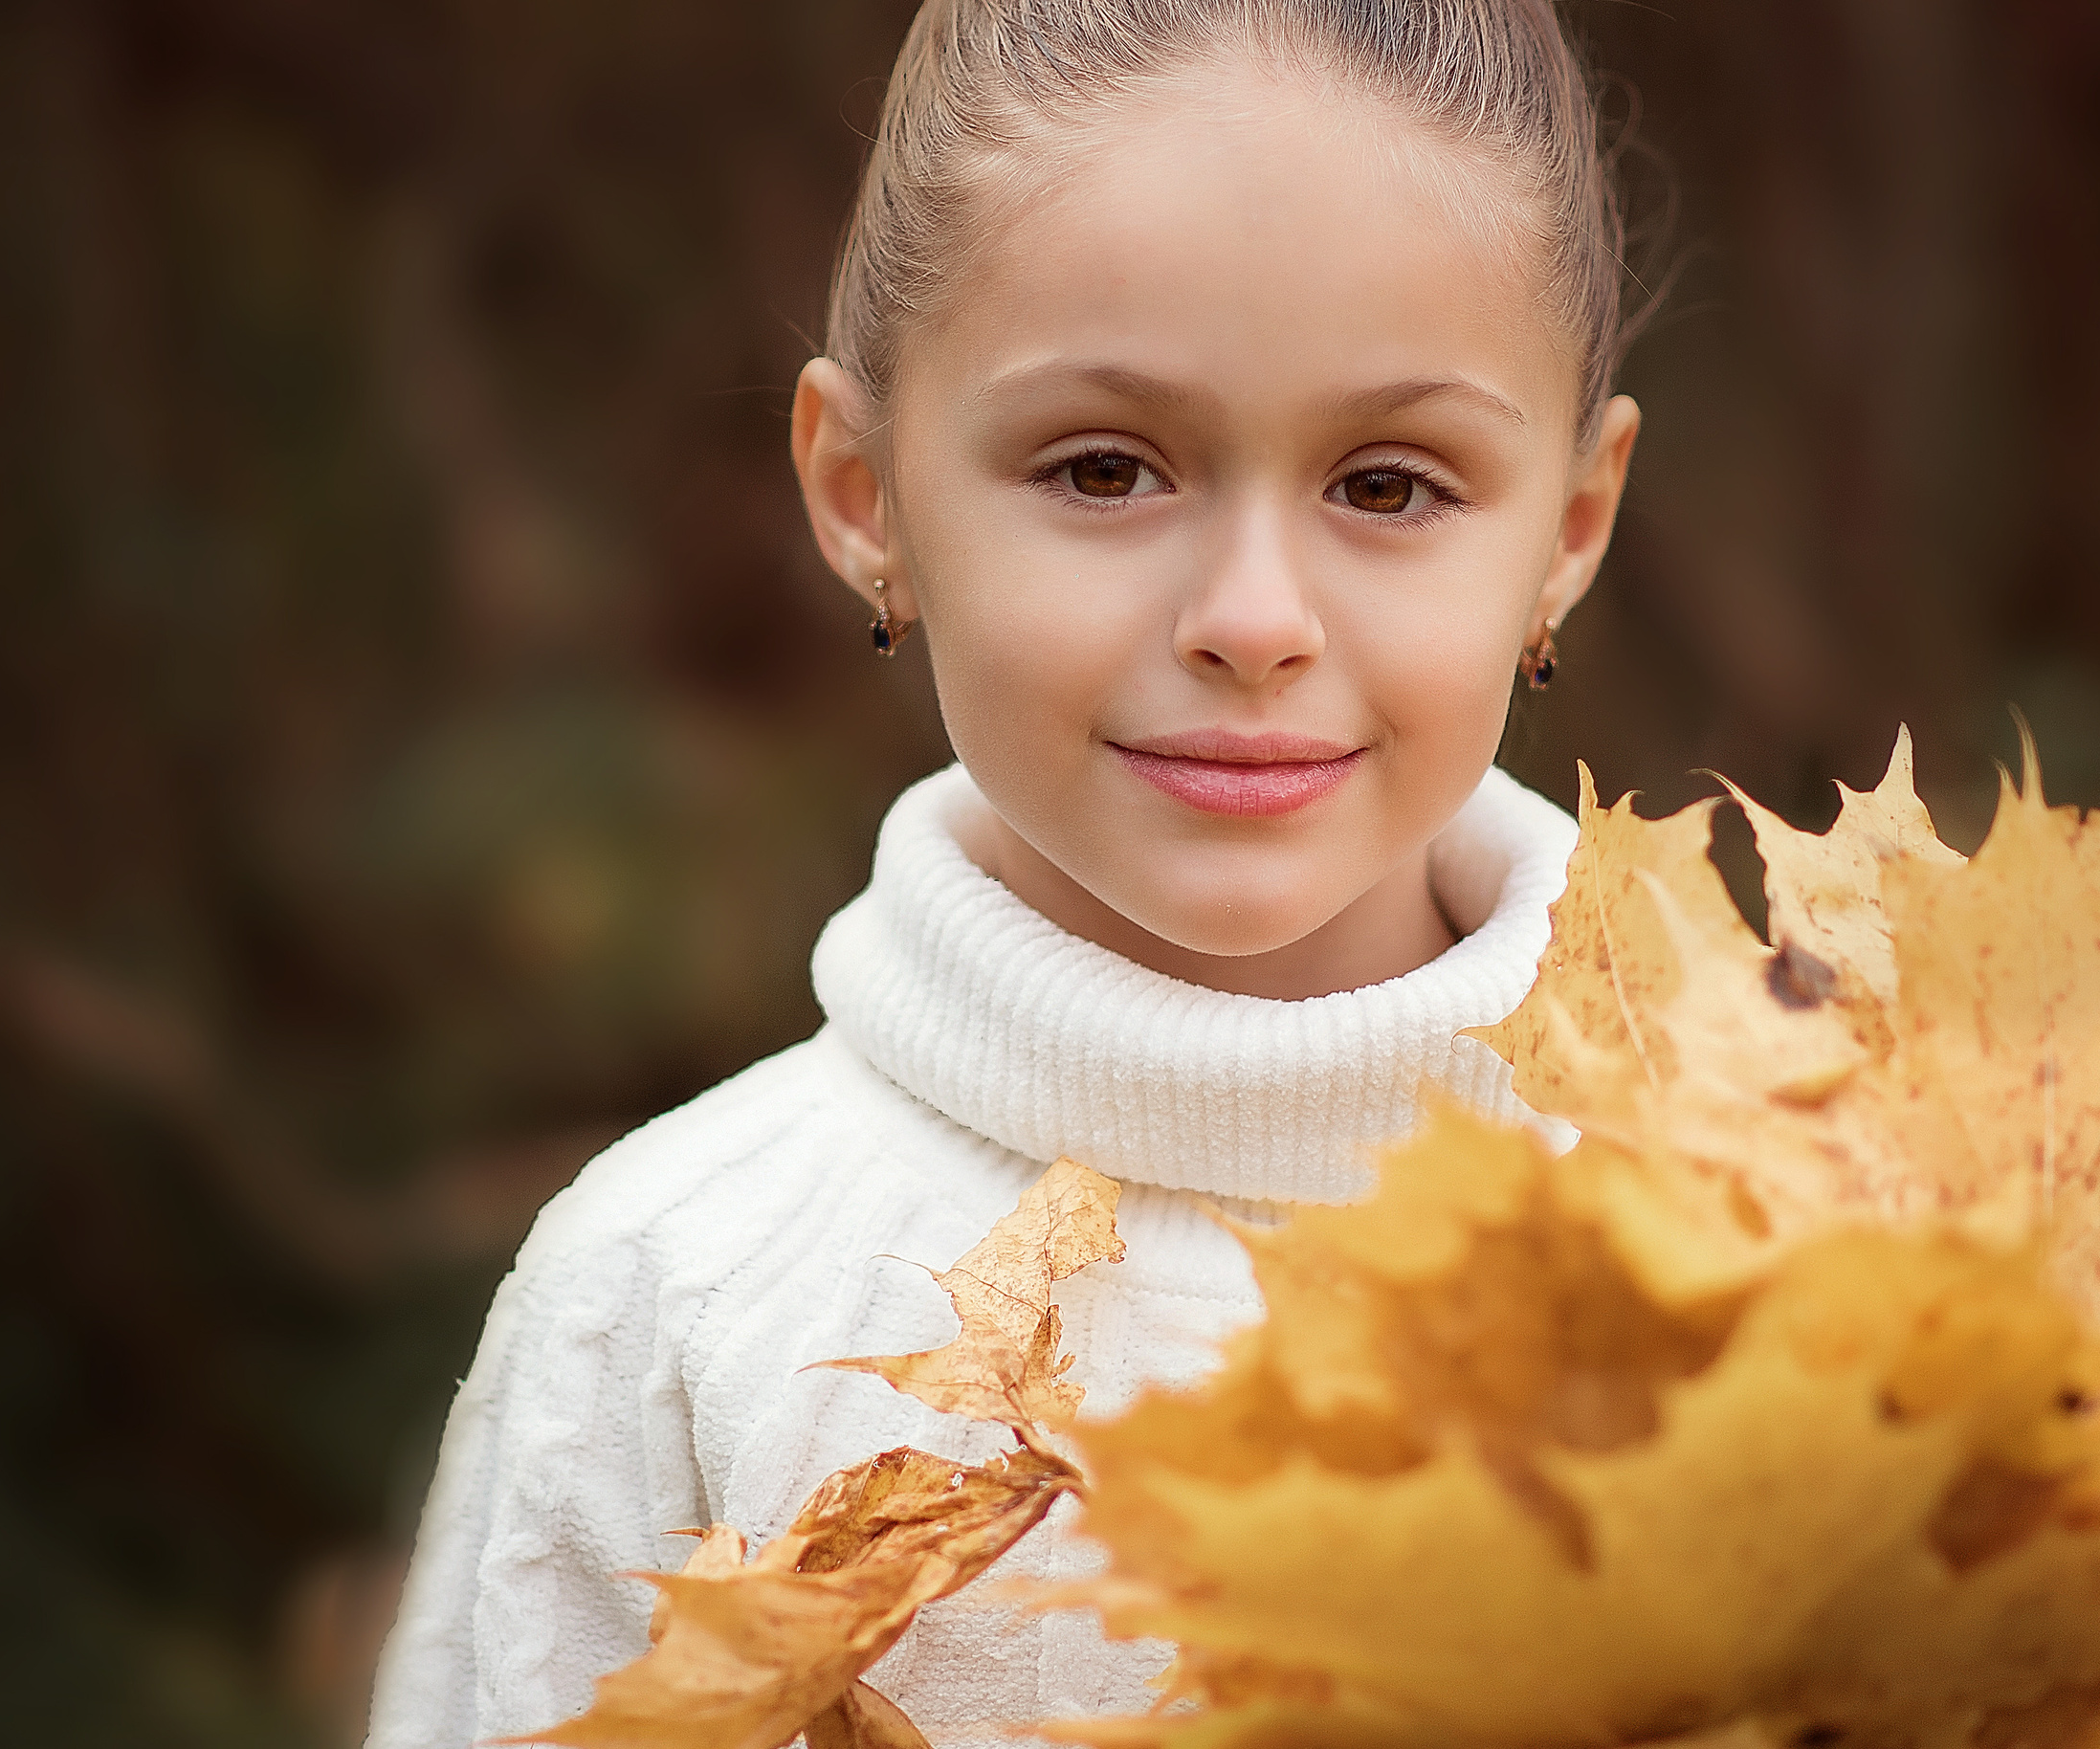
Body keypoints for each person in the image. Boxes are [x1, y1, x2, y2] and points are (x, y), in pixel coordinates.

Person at [366, 0, 1641, 1741]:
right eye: (1104, 469)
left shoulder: (1791, 1224)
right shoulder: (675, 1295)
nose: (1252, 621)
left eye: (1390, 485)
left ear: (1570, 526)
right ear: (864, 493)